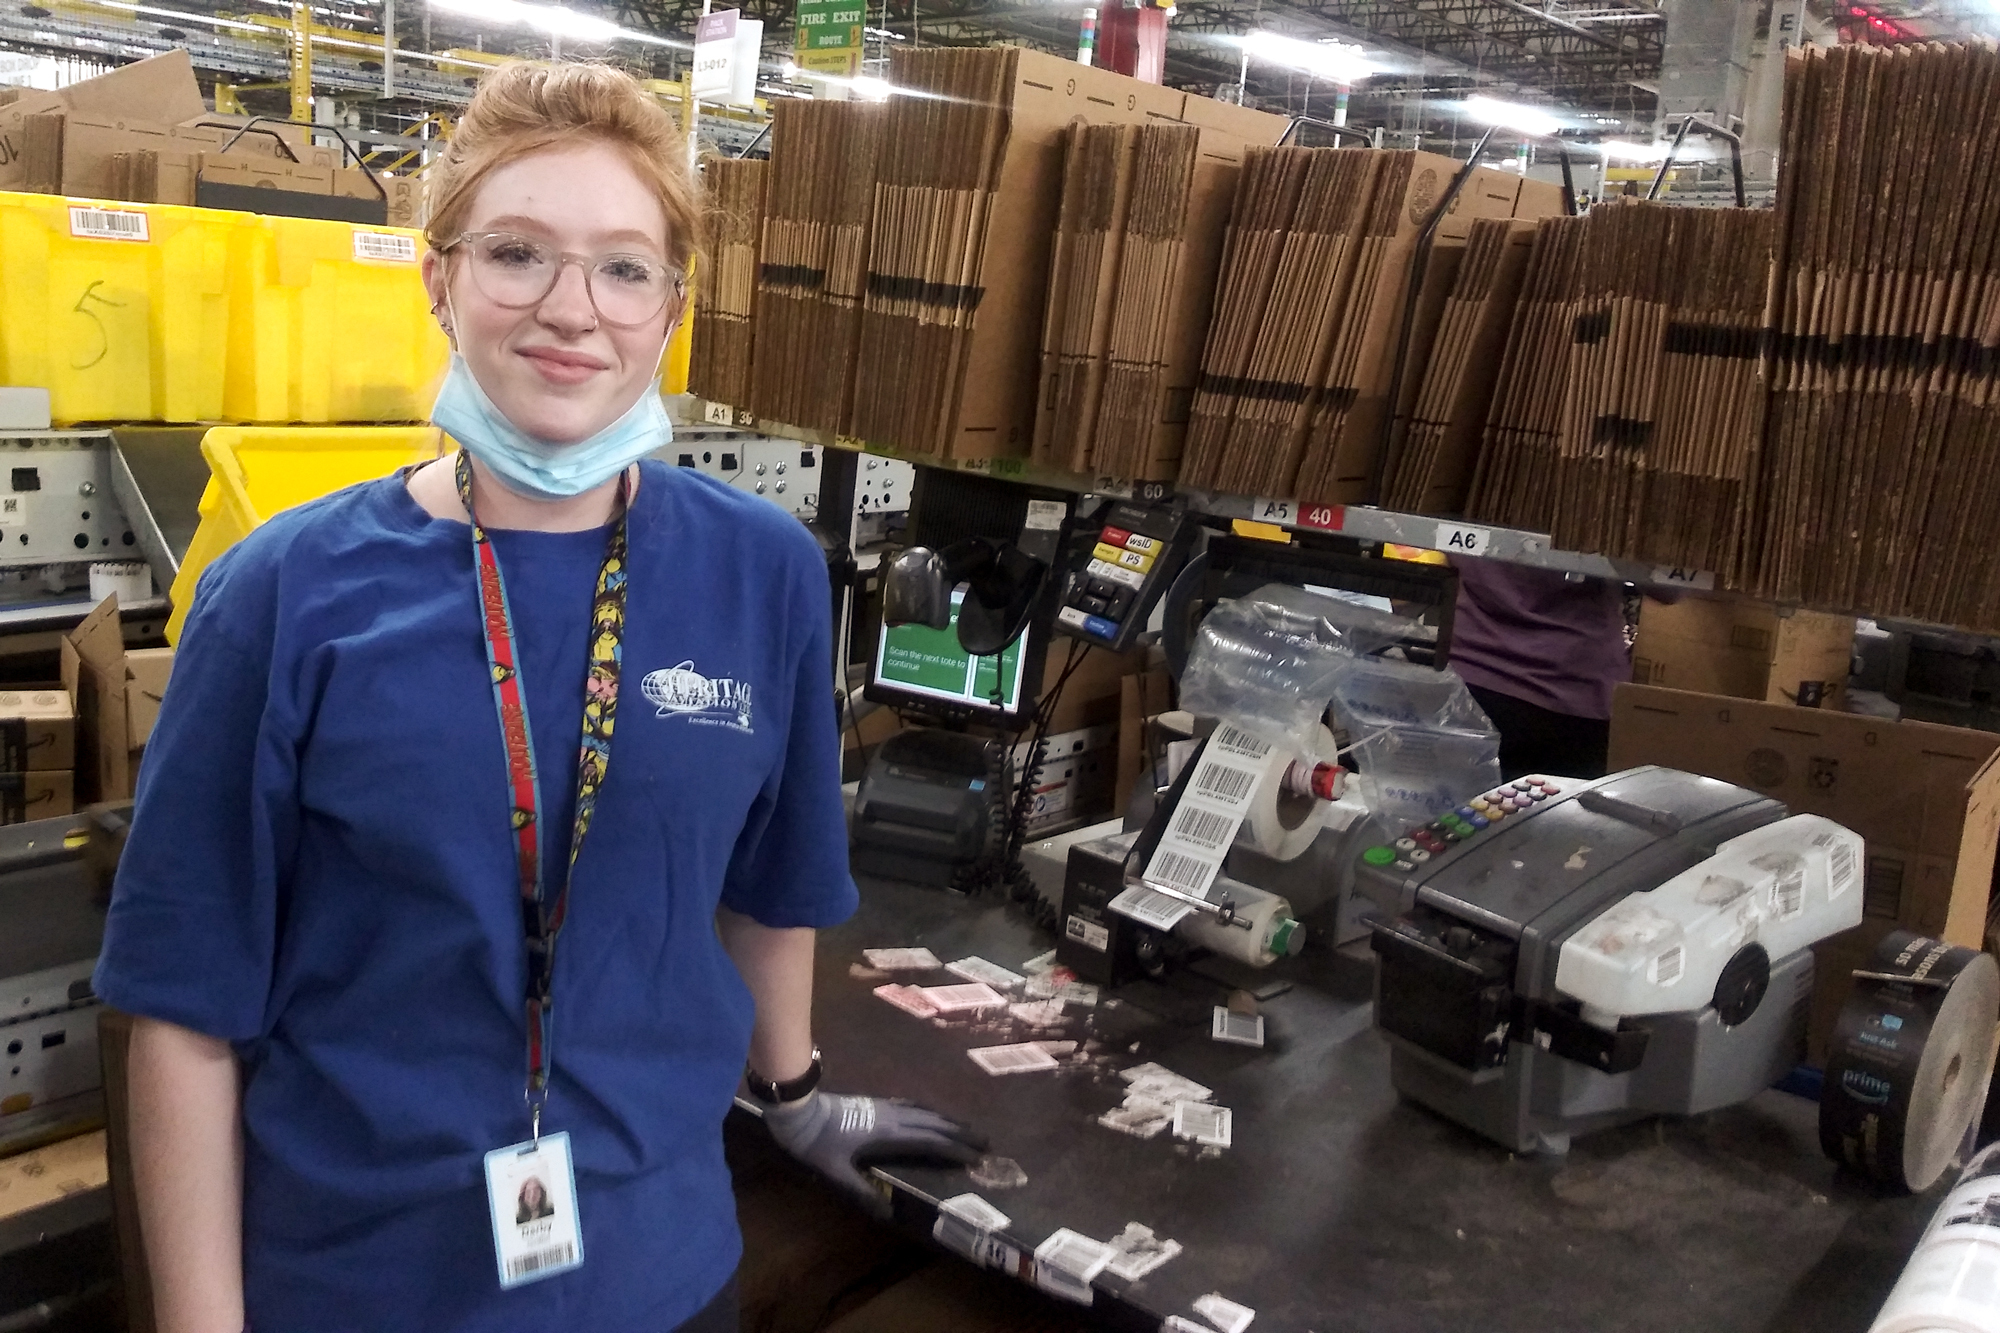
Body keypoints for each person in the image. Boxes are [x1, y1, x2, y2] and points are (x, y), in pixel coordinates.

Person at [95, 61, 980, 1333]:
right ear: (438, 279)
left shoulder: (763, 572)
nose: (574, 309)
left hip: (662, 1275)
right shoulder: (282, 595)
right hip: (358, 1284)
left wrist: (793, 1093)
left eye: (624, 267)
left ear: (671, 308)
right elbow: (182, 1010)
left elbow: (771, 888)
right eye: (517, 253)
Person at [1447, 556, 1631, 781]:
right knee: (1557, 814)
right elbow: (1670, 584)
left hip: (1470, 677)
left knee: (1460, 812)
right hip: (1572, 693)